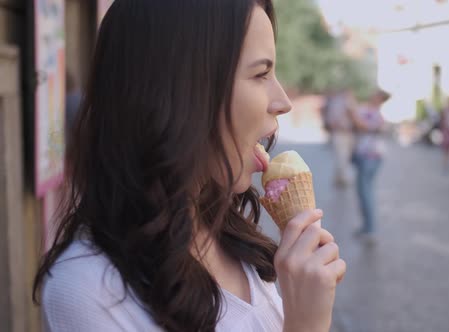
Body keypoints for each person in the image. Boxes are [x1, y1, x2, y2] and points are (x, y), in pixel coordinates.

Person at [33, 1, 346, 331]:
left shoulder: (232, 235)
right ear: (179, 92)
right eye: (261, 74)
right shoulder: (86, 289)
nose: (283, 102)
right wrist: (306, 324)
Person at [350, 90, 389, 245]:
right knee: (363, 192)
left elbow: (361, 125)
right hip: (366, 156)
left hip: (370, 157)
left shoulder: (376, 114)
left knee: (366, 193)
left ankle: (370, 229)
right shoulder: (370, 110)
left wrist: (352, 109)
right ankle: (366, 226)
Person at [322, 88, 356, 188]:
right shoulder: (342, 103)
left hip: (343, 133)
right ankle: (342, 178)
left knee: (342, 156)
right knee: (342, 156)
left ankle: (339, 178)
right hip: (342, 133)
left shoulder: (335, 103)